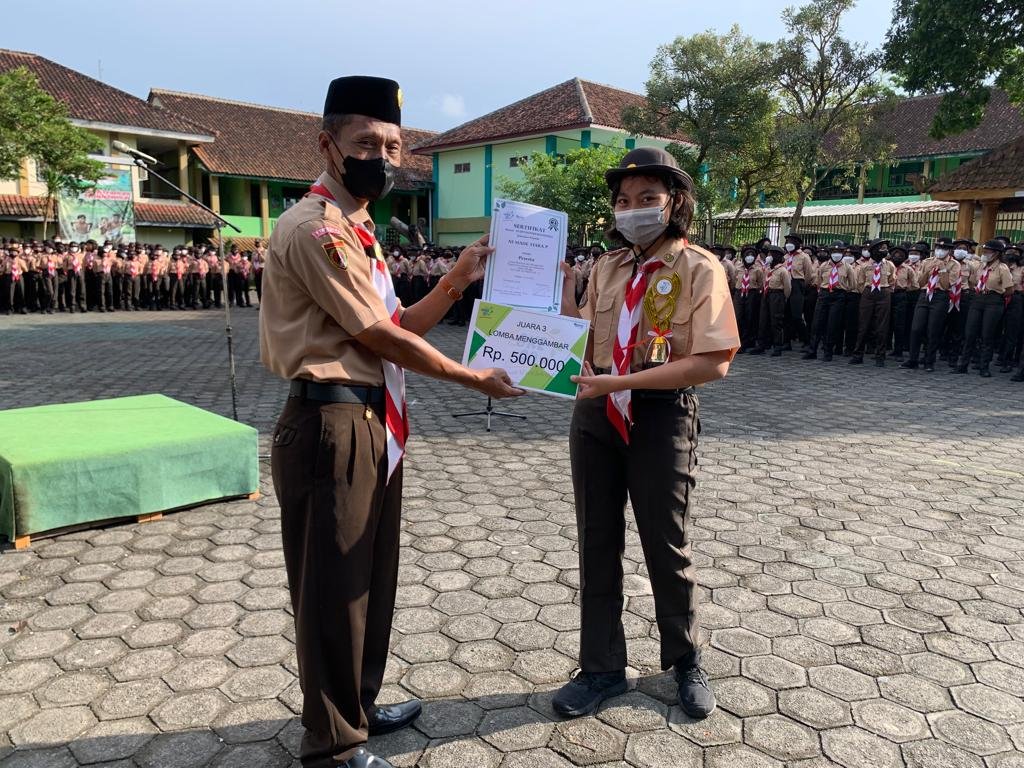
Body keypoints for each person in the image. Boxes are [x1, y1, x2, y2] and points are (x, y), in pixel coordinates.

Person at [259, 75, 522, 768]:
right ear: (327, 145)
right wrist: (472, 378)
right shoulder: (316, 228)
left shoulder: (360, 230)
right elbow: (379, 337)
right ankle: (333, 743)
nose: (382, 157)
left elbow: (397, 321)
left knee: (369, 576)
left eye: (393, 146)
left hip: (369, 420)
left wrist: (456, 279)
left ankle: (360, 704)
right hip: (330, 423)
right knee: (332, 588)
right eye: (367, 142)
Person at [554, 147, 738, 722]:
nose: (633, 209)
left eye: (647, 199)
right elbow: (582, 341)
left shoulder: (699, 269)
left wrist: (624, 382)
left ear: (674, 203)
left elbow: (714, 361)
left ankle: (685, 660)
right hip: (596, 415)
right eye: (623, 200)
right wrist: (561, 294)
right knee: (596, 541)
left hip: (660, 416)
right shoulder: (606, 268)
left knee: (666, 542)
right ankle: (602, 668)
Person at [953, 239, 1014, 377]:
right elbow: (973, 281)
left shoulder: (1002, 268)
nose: (985, 253)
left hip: (994, 301)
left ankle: (984, 366)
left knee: (987, 334)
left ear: (996, 253)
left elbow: (1009, 289)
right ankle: (963, 365)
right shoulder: (981, 266)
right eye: (984, 251)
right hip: (978, 299)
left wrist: (996, 295)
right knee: (970, 333)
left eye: (987, 251)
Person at [901, 236, 958, 372]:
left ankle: (929, 361)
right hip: (925, 294)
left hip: (940, 296)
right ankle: (913, 359)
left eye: (943, 248)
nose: (940, 250)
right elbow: (920, 282)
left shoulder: (954, 264)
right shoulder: (927, 261)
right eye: (938, 247)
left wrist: (943, 270)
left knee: (933, 329)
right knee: (916, 328)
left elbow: (946, 285)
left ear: (949, 250)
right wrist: (928, 271)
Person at [803, 241, 854, 361]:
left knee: (832, 325)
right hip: (824, 294)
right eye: (834, 251)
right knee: (817, 324)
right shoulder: (824, 266)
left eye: (839, 251)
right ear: (830, 252)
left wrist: (842, 291)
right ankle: (812, 351)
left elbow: (852, 284)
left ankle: (828, 352)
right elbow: (819, 281)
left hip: (839, 296)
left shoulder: (848, 267)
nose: (836, 254)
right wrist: (823, 291)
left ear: (843, 253)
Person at [849, 238, 895, 366]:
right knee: (863, 325)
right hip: (868, 293)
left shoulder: (889, 265)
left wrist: (886, 291)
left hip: (884, 293)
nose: (884, 250)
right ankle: (858, 354)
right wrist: (866, 292)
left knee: (882, 326)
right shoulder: (864, 266)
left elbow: (892, 281)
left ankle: (880, 356)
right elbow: (860, 283)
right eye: (882, 248)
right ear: (874, 250)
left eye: (885, 248)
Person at [750, 245, 791, 356]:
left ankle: (777, 347)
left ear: (778, 256)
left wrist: (783, 298)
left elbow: (787, 288)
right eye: (769, 254)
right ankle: (761, 345)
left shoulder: (783, 270)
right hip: (766, 294)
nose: (769, 256)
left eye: (772, 254)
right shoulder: (767, 269)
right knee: (763, 320)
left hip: (777, 295)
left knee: (776, 321)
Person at [732, 244, 763, 352]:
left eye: (752, 255)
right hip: (739, 293)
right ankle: (738, 340)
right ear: (743, 256)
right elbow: (734, 280)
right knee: (738, 317)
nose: (749, 256)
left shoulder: (758, 270)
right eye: (747, 254)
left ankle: (747, 342)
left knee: (749, 317)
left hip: (751, 293)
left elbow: (760, 283)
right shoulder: (738, 268)